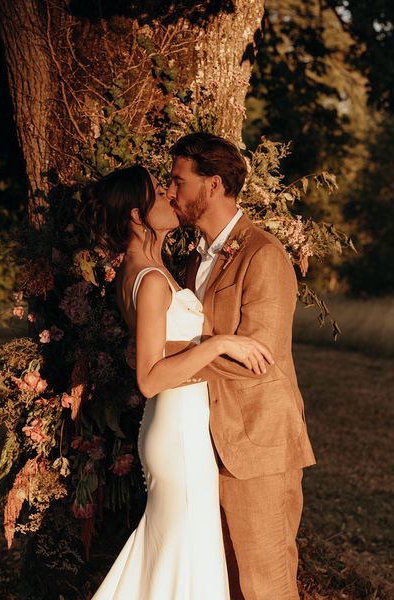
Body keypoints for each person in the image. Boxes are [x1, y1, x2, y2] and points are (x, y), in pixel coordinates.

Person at [79, 165, 273, 600]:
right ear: (136, 215)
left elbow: (165, 349)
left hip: (177, 426)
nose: (169, 195)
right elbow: (149, 378)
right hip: (180, 433)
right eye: (157, 191)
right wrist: (221, 343)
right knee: (190, 561)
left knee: (176, 556)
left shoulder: (149, 269)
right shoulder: (149, 279)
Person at [165, 132, 316, 600]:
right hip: (203, 444)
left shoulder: (263, 254)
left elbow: (259, 356)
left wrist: (167, 359)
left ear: (212, 185)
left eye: (178, 181)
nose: (170, 191)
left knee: (266, 584)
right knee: (222, 583)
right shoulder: (195, 261)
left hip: (257, 443)